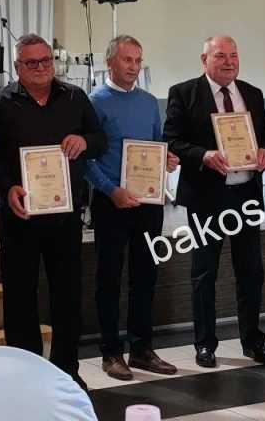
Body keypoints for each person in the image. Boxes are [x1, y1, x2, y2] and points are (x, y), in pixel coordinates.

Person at [0, 33, 106, 389]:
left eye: (46, 60)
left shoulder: (75, 98)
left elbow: (100, 140)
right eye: (32, 62)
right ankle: (25, 375)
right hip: (19, 215)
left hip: (65, 216)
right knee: (19, 297)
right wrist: (7, 188)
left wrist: (84, 141)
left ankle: (66, 370)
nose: (40, 67)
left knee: (67, 295)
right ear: (17, 67)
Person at [163, 35, 265, 369]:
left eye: (234, 55)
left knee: (251, 272)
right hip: (206, 198)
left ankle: (253, 342)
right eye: (221, 56)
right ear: (205, 60)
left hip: (246, 195)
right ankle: (204, 344)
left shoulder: (252, 94)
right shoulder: (184, 93)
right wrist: (204, 155)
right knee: (204, 273)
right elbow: (172, 140)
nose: (229, 62)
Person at [86, 35, 180, 380]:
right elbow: (86, 159)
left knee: (145, 276)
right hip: (112, 201)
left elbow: (156, 144)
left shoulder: (148, 102)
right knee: (109, 278)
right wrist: (111, 190)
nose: (134, 67)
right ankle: (111, 352)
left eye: (138, 60)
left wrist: (166, 159)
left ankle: (142, 349)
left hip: (147, 202)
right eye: (127, 60)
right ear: (110, 62)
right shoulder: (94, 102)